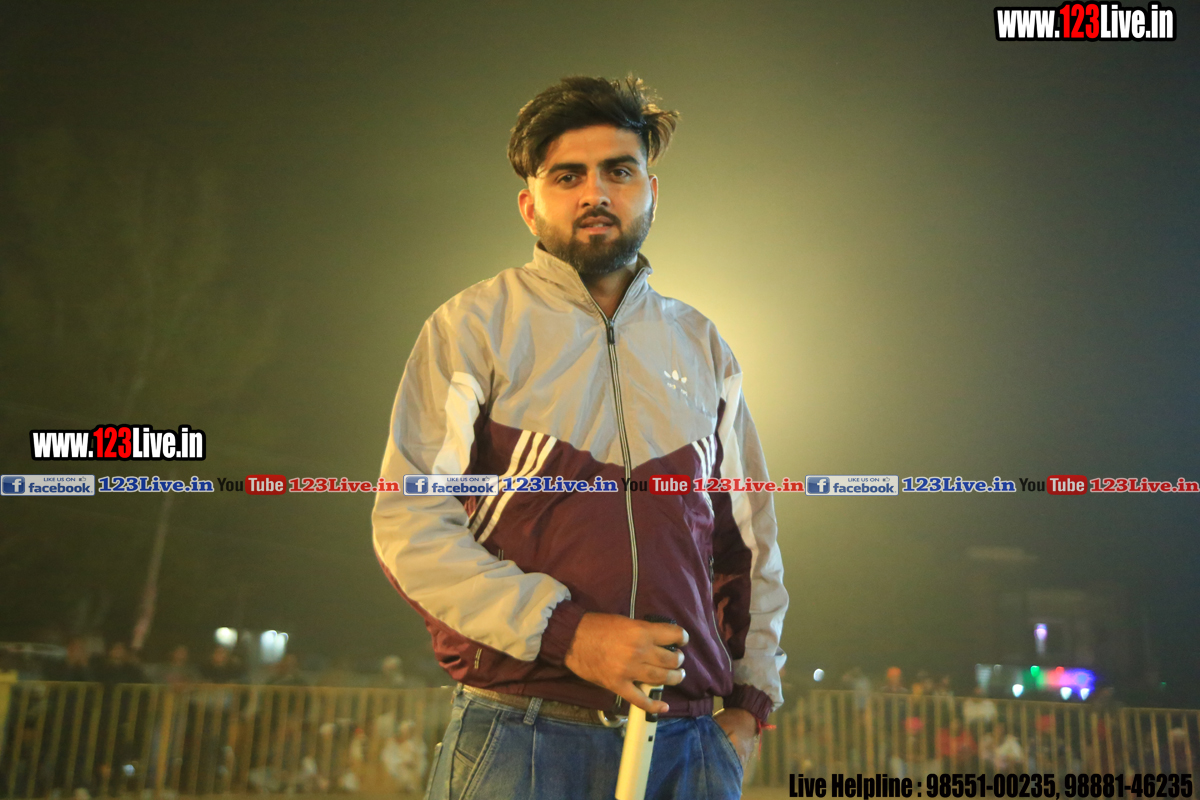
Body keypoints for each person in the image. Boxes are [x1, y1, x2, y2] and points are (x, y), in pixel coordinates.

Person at [372, 75, 788, 800]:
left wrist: (749, 706)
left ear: (651, 192)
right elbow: (409, 524)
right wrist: (569, 633)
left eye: (618, 172)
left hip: (690, 745)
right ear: (530, 204)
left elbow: (747, 544)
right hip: (519, 735)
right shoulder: (473, 327)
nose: (595, 192)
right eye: (568, 176)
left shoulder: (702, 344)